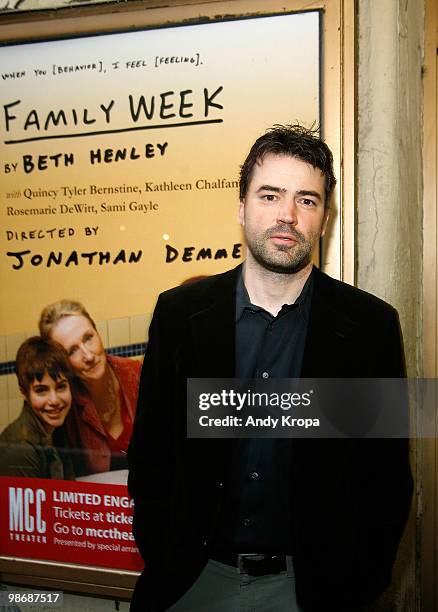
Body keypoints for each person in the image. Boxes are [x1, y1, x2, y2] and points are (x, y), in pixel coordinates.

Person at [128, 124, 413, 611]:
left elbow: (385, 480)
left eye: (307, 200)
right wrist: (164, 551)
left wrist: (356, 585)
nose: (287, 215)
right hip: (191, 583)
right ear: (241, 207)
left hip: (310, 591)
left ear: (325, 218)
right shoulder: (179, 313)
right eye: (270, 195)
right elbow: (152, 455)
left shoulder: (370, 326)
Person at [39, 300, 141, 476]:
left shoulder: (137, 373)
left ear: (98, 333)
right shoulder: (64, 406)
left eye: (88, 338)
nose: (88, 355)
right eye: (72, 351)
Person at [0, 336, 75, 480]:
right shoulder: (20, 450)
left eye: (61, 387)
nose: (54, 401)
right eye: (41, 390)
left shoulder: (55, 429)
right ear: (24, 393)